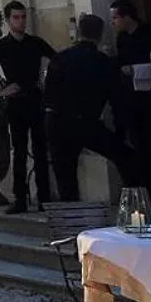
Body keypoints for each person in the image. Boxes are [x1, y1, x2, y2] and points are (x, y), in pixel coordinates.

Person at [44, 14, 137, 201]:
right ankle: (136, 205)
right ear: (100, 35)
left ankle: (71, 221)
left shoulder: (60, 58)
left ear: (79, 32)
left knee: (65, 176)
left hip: (58, 121)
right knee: (127, 158)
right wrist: (121, 132)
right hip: (86, 122)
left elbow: (48, 94)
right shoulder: (103, 62)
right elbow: (117, 101)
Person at [0, 0, 56, 213]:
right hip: (16, 102)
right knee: (19, 151)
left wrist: (47, 83)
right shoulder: (1, 46)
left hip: (36, 99)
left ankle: (44, 198)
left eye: (23, 17)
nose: (21, 21)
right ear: (8, 20)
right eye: (16, 17)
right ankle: (20, 198)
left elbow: (57, 60)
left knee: (40, 150)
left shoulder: (36, 43)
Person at [109, 0, 151, 187]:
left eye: (115, 17)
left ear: (127, 17)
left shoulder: (147, 33)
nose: (113, 22)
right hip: (128, 97)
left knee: (150, 144)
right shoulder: (122, 38)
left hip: (149, 97)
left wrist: (134, 68)